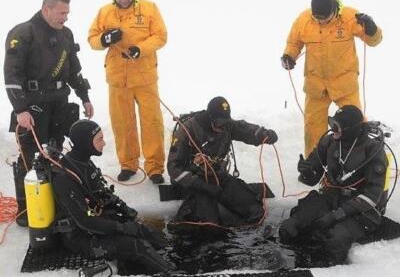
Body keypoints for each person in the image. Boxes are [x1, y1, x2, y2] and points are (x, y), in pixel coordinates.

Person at [4, 0, 93, 226]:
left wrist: (84, 97)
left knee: (54, 153)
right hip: (32, 105)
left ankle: (55, 201)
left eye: (67, 13)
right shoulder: (24, 33)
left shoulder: (66, 34)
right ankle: (27, 211)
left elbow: (74, 71)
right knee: (30, 157)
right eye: (62, 13)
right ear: (46, 9)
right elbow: (11, 75)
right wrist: (20, 109)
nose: (65, 18)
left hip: (59, 103)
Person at [51, 119, 171, 274]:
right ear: (85, 143)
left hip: (98, 221)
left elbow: (101, 192)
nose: (104, 143)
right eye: (99, 139)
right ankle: (172, 272)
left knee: (146, 232)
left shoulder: (83, 162)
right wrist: (121, 228)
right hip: (81, 238)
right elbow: (84, 220)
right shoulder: (65, 178)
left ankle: (172, 257)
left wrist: (124, 209)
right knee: (137, 247)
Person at [279, 105, 388, 263]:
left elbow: (372, 196)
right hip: (330, 197)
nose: (332, 129)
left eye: (337, 126)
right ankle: (289, 264)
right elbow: (311, 180)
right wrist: (306, 172)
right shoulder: (329, 141)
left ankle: (329, 269)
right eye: (331, 123)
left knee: (335, 239)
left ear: (351, 129)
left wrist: (337, 215)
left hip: (359, 208)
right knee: (290, 227)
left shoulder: (372, 150)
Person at [281, 0, 382, 157]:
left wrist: (372, 29)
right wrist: (288, 56)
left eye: (325, 19)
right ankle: (314, 164)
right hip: (316, 85)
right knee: (313, 128)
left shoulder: (350, 17)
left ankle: (359, 161)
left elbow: (374, 41)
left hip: (345, 84)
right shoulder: (304, 19)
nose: (321, 22)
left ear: (334, 11)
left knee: (355, 125)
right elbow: (293, 42)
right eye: (317, 18)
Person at [88, 0, 167, 184]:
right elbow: (92, 39)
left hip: (145, 78)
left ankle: (155, 167)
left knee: (152, 123)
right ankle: (128, 164)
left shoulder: (149, 9)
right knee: (122, 124)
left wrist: (139, 49)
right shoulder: (105, 12)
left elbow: (161, 36)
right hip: (117, 79)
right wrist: (105, 39)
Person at [167, 96, 278, 233]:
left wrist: (263, 135)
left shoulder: (227, 126)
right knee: (209, 227)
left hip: (218, 176)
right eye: (219, 124)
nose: (223, 127)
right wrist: (202, 186)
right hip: (194, 182)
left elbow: (244, 129)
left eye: (225, 123)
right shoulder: (187, 130)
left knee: (256, 211)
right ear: (210, 118)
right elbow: (173, 168)